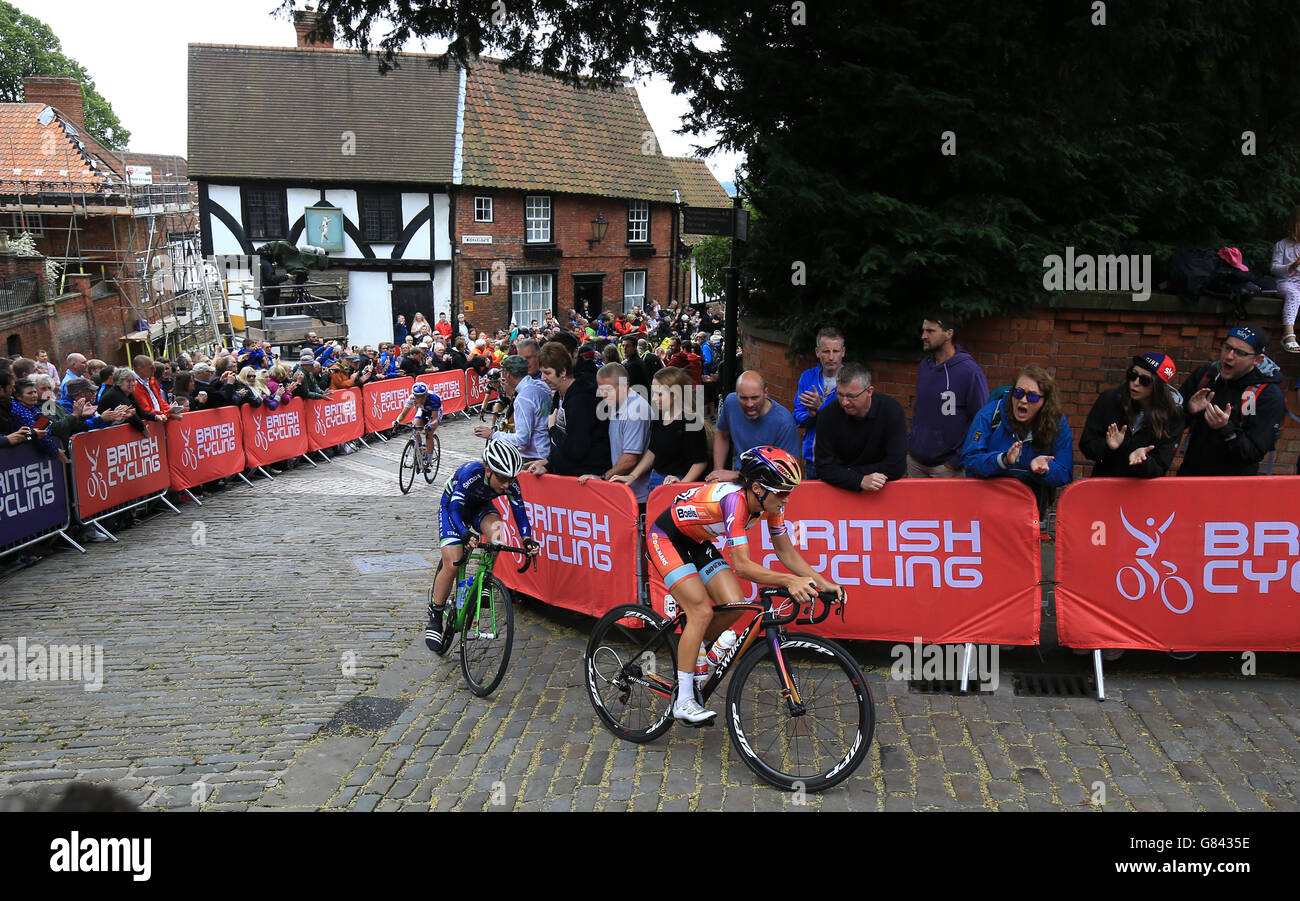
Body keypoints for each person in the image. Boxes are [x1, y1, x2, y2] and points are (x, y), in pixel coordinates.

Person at [646, 446, 842, 725]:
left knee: (735, 604)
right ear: (759, 488)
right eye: (782, 492)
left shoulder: (769, 503)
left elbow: (786, 552)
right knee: (700, 612)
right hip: (665, 538)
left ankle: (698, 647)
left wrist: (825, 584)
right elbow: (743, 566)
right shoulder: (735, 502)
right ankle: (684, 700)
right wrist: (790, 580)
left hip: (697, 541)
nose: (787, 498)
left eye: (790, 491)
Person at [426, 439, 540, 651]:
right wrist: (465, 533)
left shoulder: (509, 483)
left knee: (498, 534)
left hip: (479, 507)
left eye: (511, 479)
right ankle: (436, 613)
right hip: (453, 509)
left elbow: (521, 515)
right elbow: (454, 509)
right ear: (488, 470)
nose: (507, 485)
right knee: (452, 564)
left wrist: (527, 540)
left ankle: (482, 580)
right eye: (503, 479)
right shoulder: (472, 472)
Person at [961, 363, 1073, 516]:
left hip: (1029, 512)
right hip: (987, 509)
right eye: (1018, 393)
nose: (1023, 400)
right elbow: (970, 459)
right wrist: (1002, 460)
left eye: (1032, 396)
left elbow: (1065, 472)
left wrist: (1043, 470)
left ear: (1045, 402)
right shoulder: (990, 414)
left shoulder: (1056, 423)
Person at [1177, 324, 1286, 476]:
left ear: (1257, 360)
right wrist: (1188, 410)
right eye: (1227, 348)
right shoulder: (1206, 376)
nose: (1229, 356)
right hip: (1190, 477)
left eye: (1240, 353)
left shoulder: (1268, 395)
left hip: (1233, 487)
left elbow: (1253, 453)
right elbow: (1168, 427)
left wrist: (1226, 429)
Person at [907, 314, 989, 477]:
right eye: (923, 330)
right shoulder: (925, 365)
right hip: (915, 462)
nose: (923, 336)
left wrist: (955, 461)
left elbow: (981, 419)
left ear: (948, 334)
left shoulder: (969, 372)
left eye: (930, 331)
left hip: (946, 468)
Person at [1080, 352, 1186, 477]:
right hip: (1105, 483)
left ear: (1158, 387)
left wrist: (1142, 462)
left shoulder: (1173, 416)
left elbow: (1161, 465)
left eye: (1145, 380)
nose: (1135, 383)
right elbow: (1086, 445)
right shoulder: (1109, 399)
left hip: (1143, 491)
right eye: (1132, 375)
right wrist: (1108, 447)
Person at [610, 366, 709, 492]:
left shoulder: (691, 422)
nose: (654, 399)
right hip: (656, 480)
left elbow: (700, 462)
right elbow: (653, 450)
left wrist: (681, 485)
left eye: (660, 394)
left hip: (679, 484)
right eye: (653, 393)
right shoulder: (660, 417)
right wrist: (632, 476)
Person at [814, 362, 907, 492]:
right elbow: (823, 467)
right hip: (839, 492)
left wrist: (850, 474)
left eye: (851, 396)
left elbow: (896, 465)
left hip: (880, 491)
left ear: (869, 391)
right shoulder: (828, 415)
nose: (845, 402)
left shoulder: (891, 411)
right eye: (840, 394)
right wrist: (859, 479)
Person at [525, 341, 611, 477]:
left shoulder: (581, 399)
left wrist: (552, 428)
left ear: (563, 371)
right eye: (542, 373)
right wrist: (548, 464)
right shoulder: (560, 393)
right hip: (572, 472)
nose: (543, 378)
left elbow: (576, 449)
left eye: (548, 373)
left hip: (586, 476)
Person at [579, 363, 652, 505]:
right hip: (626, 491)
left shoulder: (635, 411)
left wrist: (602, 478)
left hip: (638, 495)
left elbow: (630, 459)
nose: (603, 394)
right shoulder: (616, 403)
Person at [708, 370, 801, 482]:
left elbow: (788, 471)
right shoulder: (731, 403)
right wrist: (718, 472)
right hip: (739, 479)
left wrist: (736, 475)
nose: (749, 404)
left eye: (755, 398)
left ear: (766, 393)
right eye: (743, 398)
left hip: (770, 487)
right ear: (736, 394)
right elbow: (722, 435)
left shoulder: (784, 422)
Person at [473, 355, 551, 461]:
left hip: (533, 457)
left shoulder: (523, 397)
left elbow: (522, 440)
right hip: (545, 450)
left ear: (508, 374)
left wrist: (493, 435)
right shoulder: (540, 385)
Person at [792, 327, 846, 479]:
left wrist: (820, 409)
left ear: (843, 352)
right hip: (813, 457)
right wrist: (811, 414)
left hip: (842, 457)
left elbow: (850, 420)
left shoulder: (851, 379)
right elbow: (797, 418)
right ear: (817, 352)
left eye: (835, 351)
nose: (830, 357)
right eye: (825, 351)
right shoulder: (808, 377)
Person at [1270, 206, 1300, 353]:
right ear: (1294, 225)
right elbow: (1274, 269)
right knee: (1293, 294)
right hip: (1286, 283)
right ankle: (1288, 334)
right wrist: (1292, 266)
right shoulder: (1282, 245)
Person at [400, 382, 443, 464]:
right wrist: (397, 421)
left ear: (426, 395)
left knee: (428, 432)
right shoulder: (411, 398)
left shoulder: (434, 399)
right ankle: (420, 449)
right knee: (415, 426)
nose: (419, 399)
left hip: (434, 412)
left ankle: (429, 461)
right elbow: (403, 415)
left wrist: (430, 425)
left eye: (422, 397)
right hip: (423, 410)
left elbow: (435, 419)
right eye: (417, 397)